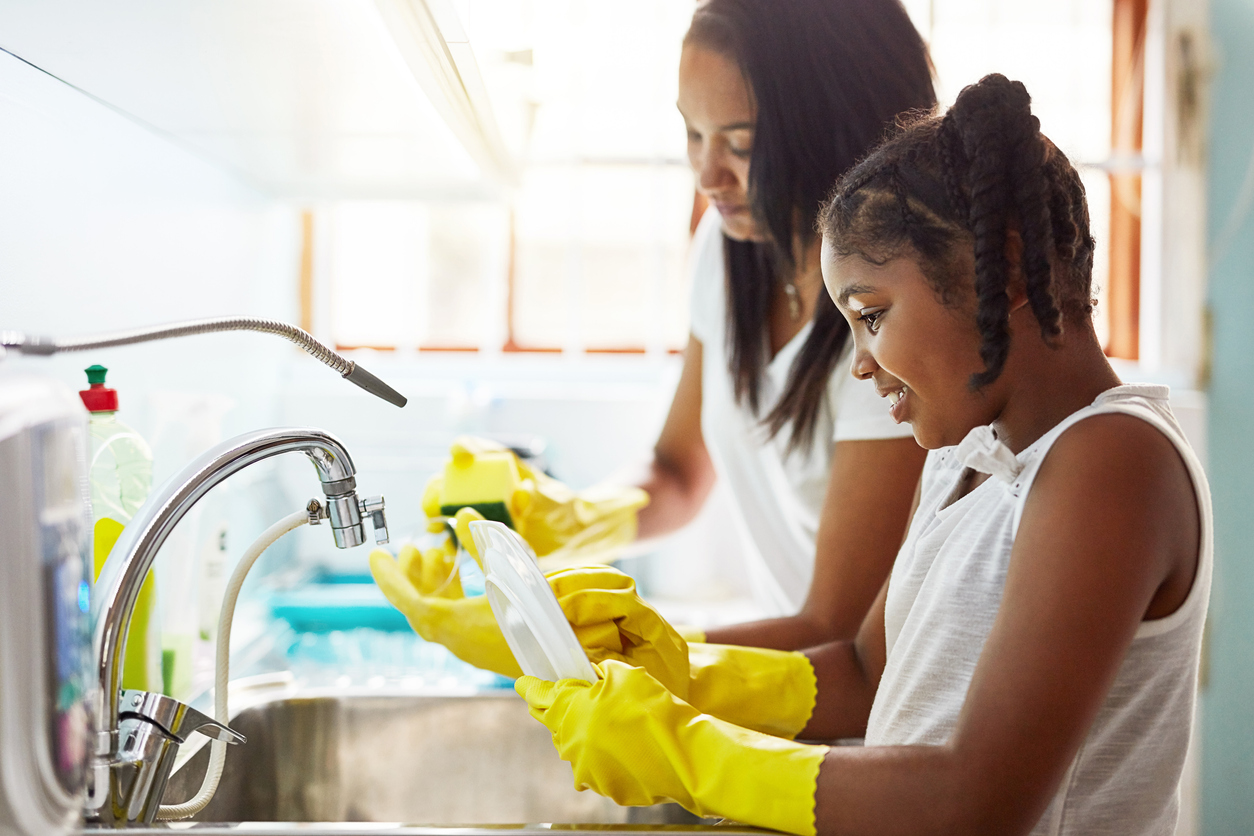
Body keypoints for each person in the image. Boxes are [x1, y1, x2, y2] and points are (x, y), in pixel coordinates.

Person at [516, 74, 1212, 836]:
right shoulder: (964, 457)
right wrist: (676, 668)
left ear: (1005, 270)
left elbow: (974, 801)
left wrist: (692, 757)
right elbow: (863, 668)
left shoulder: (1111, 462)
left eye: (872, 315)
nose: (860, 363)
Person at [371, 0, 937, 673]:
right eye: (693, 134)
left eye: (743, 144)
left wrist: (606, 652)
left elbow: (838, 629)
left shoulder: (891, 314)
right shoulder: (728, 252)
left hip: (886, 690)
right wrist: (571, 517)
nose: (707, 175)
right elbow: (677, 473)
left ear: (838, 128)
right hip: (806, 686)